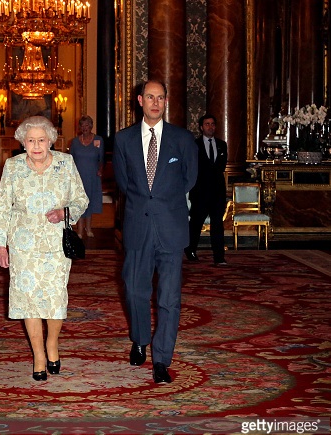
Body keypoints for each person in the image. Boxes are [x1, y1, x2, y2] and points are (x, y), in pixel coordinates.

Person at [113, 80, 198, 384]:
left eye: (160, 98)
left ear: (165, 102)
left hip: (171, 227)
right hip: (137, 226)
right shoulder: (122, 140)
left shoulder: (183, 139)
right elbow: (123, 183)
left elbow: (189, 179)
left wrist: (165, 202)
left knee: (169, 298)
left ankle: (162, 359)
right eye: (150, 97)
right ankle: (139, 339)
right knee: (135, 291)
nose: (155, 102)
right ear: (139, 100)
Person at [0, 116, 88, 381]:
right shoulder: (13, 167)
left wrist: (64, 212)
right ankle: (38, 355)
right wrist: (1, 244)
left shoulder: (65, 163)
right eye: (31, 140)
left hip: (56, 244)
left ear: (50, 141)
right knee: (29, 302)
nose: (36, 145)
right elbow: (2, 206)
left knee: (55, 298)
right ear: (23, 142)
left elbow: (81, 199)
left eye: (41, 140)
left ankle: (52, 344)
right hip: (22, 244)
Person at [185, 114, 228, 265]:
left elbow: (221, 167)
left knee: (217, 225)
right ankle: (190, 249)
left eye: (212, 124)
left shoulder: (222, 144)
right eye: (207, 124)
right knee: (196, 223)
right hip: (200, 192)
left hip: (217, 192)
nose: (210, 127)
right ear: (201, 127)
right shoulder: (194, 145)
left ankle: (219, 257)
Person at [70, 115, 104, 238]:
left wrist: (100, 170)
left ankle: (88, 228)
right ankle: (79, 230)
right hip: (78, 177)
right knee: (79, 202)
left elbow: (101, 159)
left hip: (92, 176)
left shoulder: (98, 140)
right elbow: (70, 160)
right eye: (82, 126)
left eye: (87, 125)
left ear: (91, 126)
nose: (84, 128)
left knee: (89, 201)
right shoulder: (74, 142)